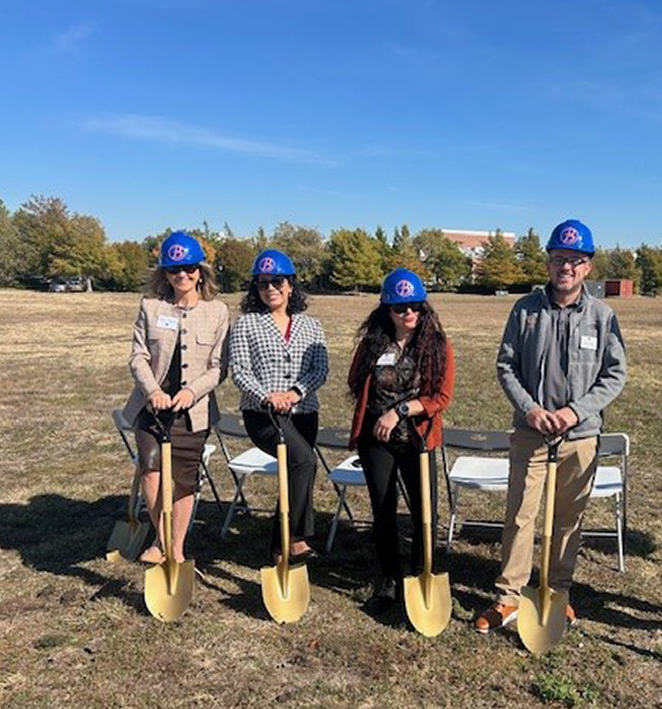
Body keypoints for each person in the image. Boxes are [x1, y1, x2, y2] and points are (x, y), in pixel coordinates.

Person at [474, 219, 627, 633]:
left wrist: (576, 412)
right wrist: (530, 409)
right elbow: (506, 365)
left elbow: (615, 374)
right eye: (560, 258)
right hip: (532, 432)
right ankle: (508, 597)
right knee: (521, 515)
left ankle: (557, 592)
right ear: (548, 262)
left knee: (567, 518)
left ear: (588, 267)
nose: (567, 268)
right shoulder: (525, 310)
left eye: (575, 261)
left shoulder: (601, 315)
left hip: (580, 437)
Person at [347, 268, 455, 615]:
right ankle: (389, 580)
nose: (409, 313)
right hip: (376, 441)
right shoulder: (372, 345)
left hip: (418, 440)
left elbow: (441, 396)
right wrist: (378, 412)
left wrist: (400, 410)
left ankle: (422, 573)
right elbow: (354, 381)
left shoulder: (437, 345)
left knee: (425, 511)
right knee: (383, 510)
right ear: (386, 311)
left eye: (415, 306)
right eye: (399, 307)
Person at [123, 230, 230, 564]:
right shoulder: (151, 307)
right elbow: (137, 356)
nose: (182, 275)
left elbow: (218, 367)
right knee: (150, 469)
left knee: (184, 479)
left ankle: (176, 548)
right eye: (174, 270)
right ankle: (162, 538)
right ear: (164, 274)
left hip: (192, 412)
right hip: (152, 407)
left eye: (189, 268)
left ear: (201, 271)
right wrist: (153, 390)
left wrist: (191, 392)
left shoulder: (218, 312)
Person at [229, 249, 329, 564]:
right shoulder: (245, 325)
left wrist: (296, 393)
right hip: (262, 414)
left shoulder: (312, 326)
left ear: (290, 285)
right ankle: (297, 539)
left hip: (304, 412)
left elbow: (320, 368)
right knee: (304, 462)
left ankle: (277, 548)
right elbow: (240, 371)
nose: (270, 288)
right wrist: (268, 396)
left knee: (295, 473)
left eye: (277, 281)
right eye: (262, 283)